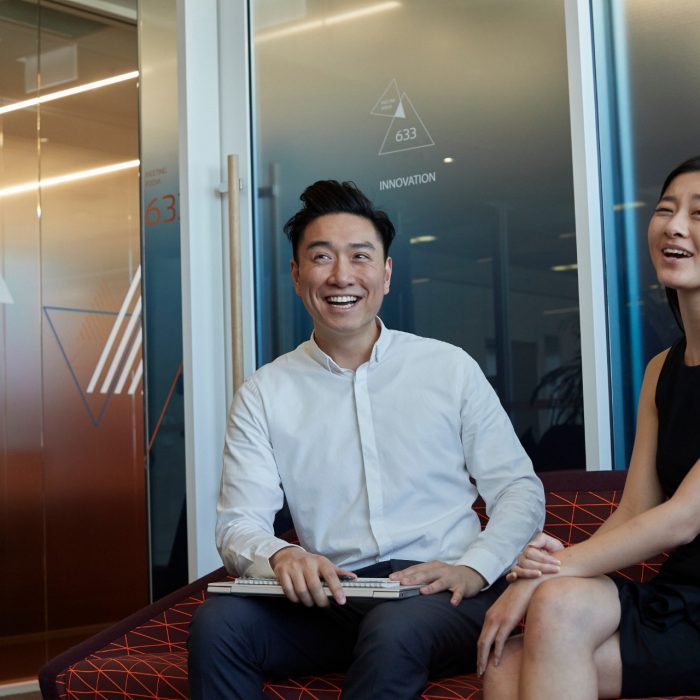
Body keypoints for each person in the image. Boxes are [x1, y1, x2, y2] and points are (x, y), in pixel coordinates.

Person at [187, 179, 545, 699]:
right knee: (221, 625)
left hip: (443, 594)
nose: (341, 276)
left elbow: (518, 488)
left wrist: (473, 568)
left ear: (386, 273)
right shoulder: (264, 393)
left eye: (360, 257)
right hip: (337, 597)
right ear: (296, 274)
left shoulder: (447, 368)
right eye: (321, 257)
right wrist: (284, 558)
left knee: (395, 629)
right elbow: (239, 522)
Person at [477, 155, 700, 700]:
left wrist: (543, 574)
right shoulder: (661, 371)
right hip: (678, 598)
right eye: (666, 209)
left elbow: (681, 520)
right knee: (504, 664)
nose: (675, 226)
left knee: (558, 598)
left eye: (699, 214)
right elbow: (635, 509)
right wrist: (557, 571)